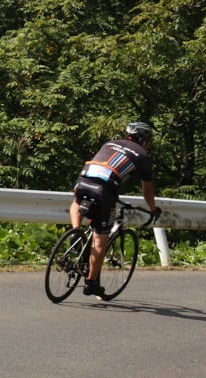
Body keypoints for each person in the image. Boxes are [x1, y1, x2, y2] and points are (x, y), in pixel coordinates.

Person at [69, 121, 160, 299]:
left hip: (83, 180)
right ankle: (91, 283)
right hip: (104, 191)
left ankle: (75, 231)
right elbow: (147, 190)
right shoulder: (142, 155)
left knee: (76, 202)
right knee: (100, 238)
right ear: (145, 140)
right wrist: (153, 209)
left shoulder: (109, 143)